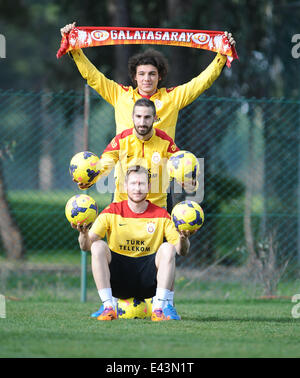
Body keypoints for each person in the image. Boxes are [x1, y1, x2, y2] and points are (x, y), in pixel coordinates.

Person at [60, 22, 236, 141]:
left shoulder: (172, 98)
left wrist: (221, 56)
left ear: (160, 77)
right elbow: (93, 77)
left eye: (152, 74)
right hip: (125, 179)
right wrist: (75, 50)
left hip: (159, 180)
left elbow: (201, 82)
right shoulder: (120, 95)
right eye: (142, 74)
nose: (147, 78)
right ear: (134, 77)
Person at [71, 165, 195, 321]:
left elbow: (181, 251)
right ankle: (108, 307)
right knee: (97, 246)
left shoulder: (161, 214)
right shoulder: (112, 211)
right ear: (125, 186)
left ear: (149, 187)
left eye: (142, 184)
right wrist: (83, 234)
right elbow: (86, 246)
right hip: (118, 281)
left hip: (149, 283)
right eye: (133, 183)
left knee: (168, 248)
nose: (138, 188)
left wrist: (184, 239)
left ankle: (159, 309)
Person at [75, 98, 196, 211]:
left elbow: (181, 165)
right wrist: (90, 179)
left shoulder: (165, 142)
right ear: (132, 117)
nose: (142, 122)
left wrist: (190, 182)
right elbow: (104, 164)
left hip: (156, 210)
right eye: (138, 117)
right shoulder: (121, 140)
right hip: (123, 207)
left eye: (147, 117)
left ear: (155, 118)